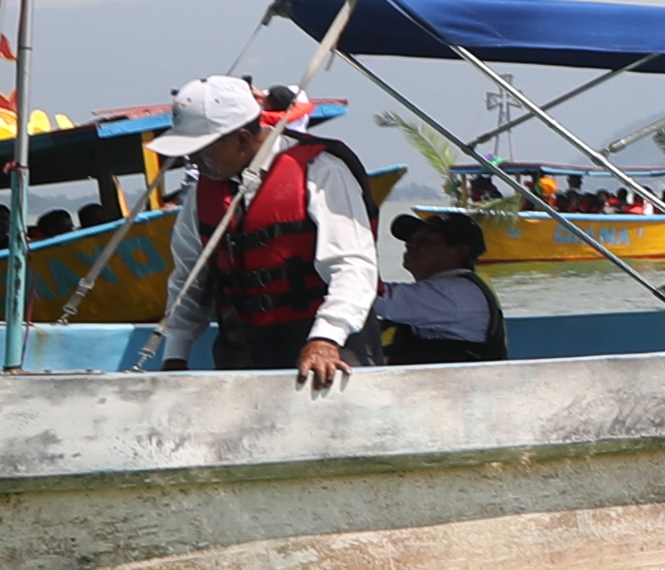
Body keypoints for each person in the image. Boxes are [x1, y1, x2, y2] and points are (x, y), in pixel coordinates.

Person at [154, 73, 379, 386]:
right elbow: (188, 280)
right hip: (244, 350)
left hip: (328, 346)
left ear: (243, 139)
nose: (192, 160)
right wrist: (175, 356)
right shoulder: (202, 194)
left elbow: (353, 267)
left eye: (202, 149)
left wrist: (327, 339)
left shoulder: (321, 173)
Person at [365, 210, 511, 363]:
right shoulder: (461, 287)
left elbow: (366, 296)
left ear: (459, 252)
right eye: (412, 238)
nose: (410, 244)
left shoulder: (455, 292)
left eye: (426, 240)